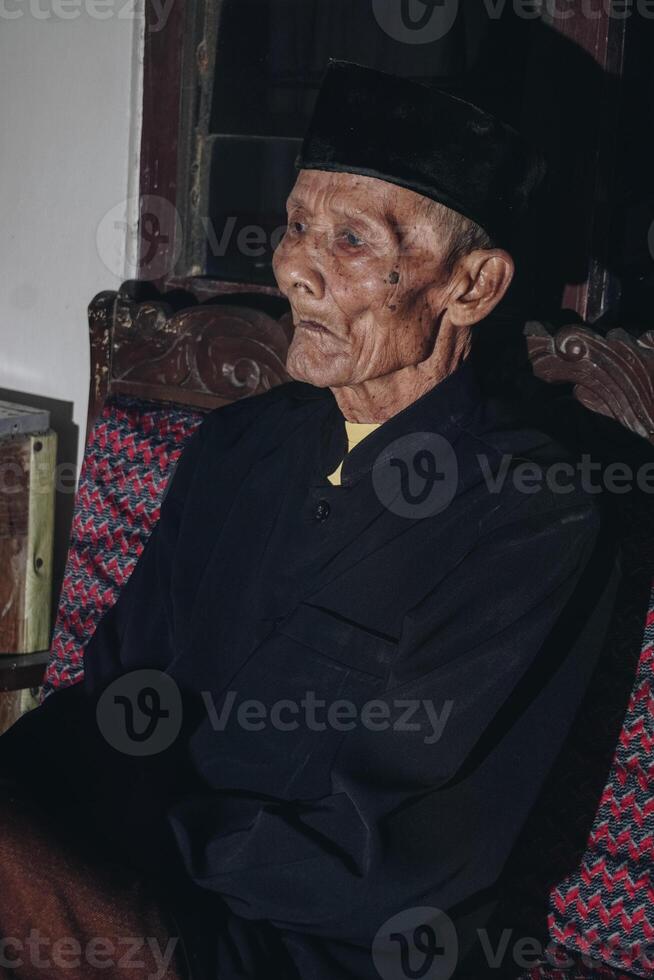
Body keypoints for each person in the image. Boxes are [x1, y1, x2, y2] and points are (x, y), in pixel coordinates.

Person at [0, 61, 620, 979]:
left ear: (474, 286)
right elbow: (119, 692)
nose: (295, 265)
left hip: (324, 946)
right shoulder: (237, 446)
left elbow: (397, 853)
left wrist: (115, 841)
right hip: (133, 879)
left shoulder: (532, 514)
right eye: (295, 225)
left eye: (351, 240)